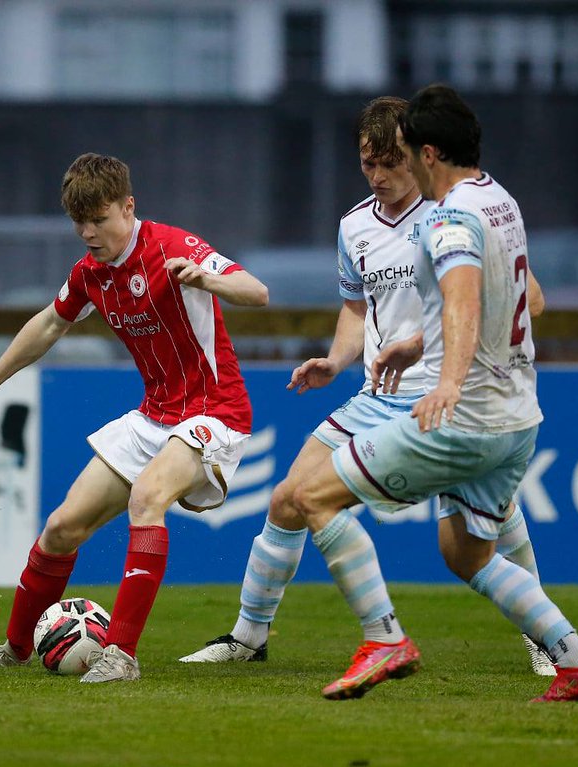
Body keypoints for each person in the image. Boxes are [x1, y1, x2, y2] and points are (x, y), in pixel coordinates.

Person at [180, 97, 556, 688]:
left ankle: (543, 643)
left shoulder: (455, 211)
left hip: (448, 393)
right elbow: (357, 306)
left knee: (494, 517)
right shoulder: (354, 226)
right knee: (289, 497)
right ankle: (249, 637)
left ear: (417, 155)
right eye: (367, 165)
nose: (378, 177)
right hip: (379, 394)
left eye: (389, 164)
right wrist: (335, 360)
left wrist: (423, 336)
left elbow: (527, 297)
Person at [289, 84, 578, 702]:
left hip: (464, 418)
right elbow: (520, 297)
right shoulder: (500, 202)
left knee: (312, 496)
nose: (400, 164)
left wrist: (447, 381)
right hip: (519, 418)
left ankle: (385, 640)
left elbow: (463, 296)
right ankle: (577, 664)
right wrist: (420, 342)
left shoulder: (446, 218)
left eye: (406, 152)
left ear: (428, 154)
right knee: (466, 554)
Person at [0, 153, 268, 683]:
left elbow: (256, 292)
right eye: (79, 222)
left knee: (147, 498)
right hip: (155, 417)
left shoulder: (173, 247)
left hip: (216, 410)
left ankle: (121, 655)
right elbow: (50, 324)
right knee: (60, 528)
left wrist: (207, 279)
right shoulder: (91, 272)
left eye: (98, 218)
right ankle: (14, 648)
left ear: (128, 206)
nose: (88, 232)